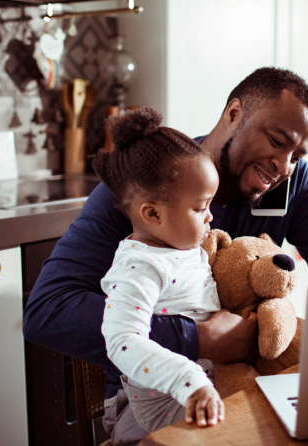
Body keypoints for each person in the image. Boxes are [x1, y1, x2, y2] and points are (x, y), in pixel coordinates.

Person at [23, 67, 308, 444]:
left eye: (297, 154)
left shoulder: (294, 184)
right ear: (234, 114)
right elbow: (48, 311)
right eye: (277, 140)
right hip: (159, 399)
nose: (284, 166)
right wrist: (197, 338)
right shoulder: (152, 186)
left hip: (244, 382)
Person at [95, 108, 225, 432]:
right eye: (200, 208)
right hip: (171, 407)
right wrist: (189, 380)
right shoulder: (140, 267)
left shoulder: (181, 247)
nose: (210, 217)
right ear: (152, 214)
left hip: (211, 385)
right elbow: (122, 340)